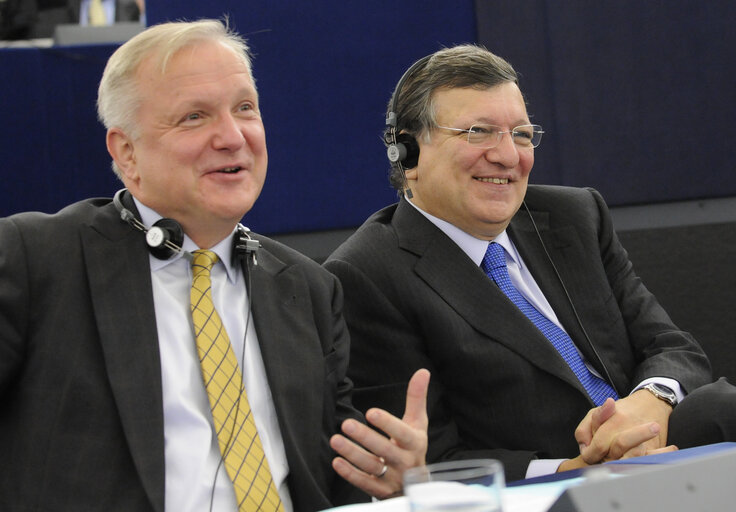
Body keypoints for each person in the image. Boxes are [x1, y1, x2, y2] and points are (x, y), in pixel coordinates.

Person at [0, 19, 429, 511]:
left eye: (245, 108)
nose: (232, 137)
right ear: (127, 152)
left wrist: (388, 475)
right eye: (194, 117)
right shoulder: (35, 260)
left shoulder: (308, 288)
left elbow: (331, 477)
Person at [323, 44, 736, 482]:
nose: (508, 155)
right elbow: (429, 458)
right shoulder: (366, 275)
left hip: (652, 442)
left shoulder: (574, 216)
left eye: (520, 133)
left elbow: (673, 347)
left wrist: (648, 401)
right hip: (543, 484)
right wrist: (571, 469)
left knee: (730, 413)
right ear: (408, 153)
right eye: (478, 132)